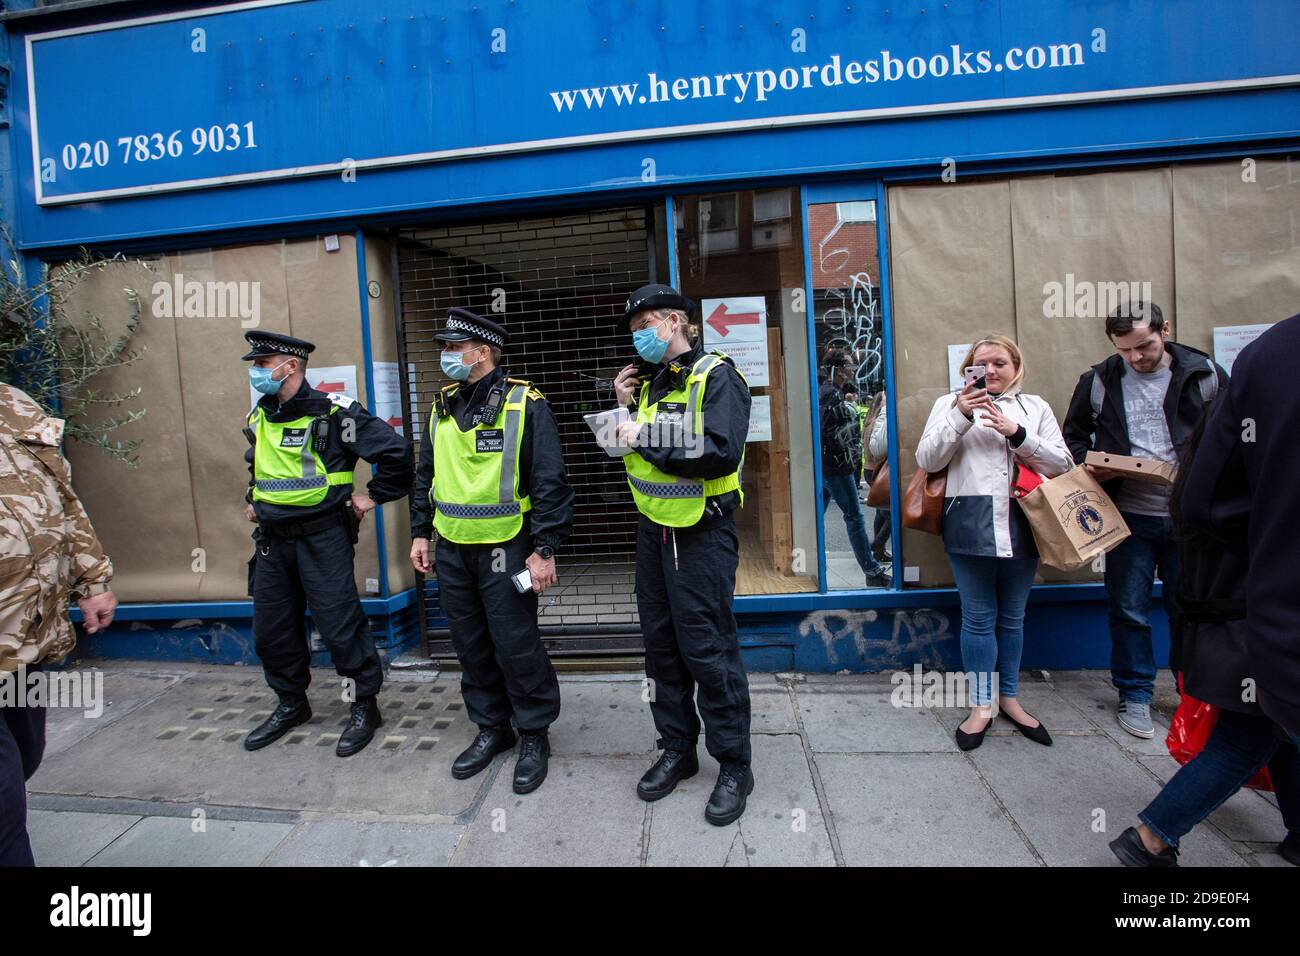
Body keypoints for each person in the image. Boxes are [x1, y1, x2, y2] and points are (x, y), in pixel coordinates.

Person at [1110, 395, 1299, 867]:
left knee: (1276, 727)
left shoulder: (1208, 483)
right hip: (1253, 625)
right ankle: (1150, 838)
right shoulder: (1257, 494)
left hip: (1227, 620)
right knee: (1245, 739)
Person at [410, 309, 572, 794]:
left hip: (507, 545)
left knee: (515, 642)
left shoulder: (526, 403)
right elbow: (426, 474)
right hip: (453, 547)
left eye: (453, 348)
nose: (445, 356)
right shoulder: (441, 406)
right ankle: (491, 728)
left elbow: (550, 480)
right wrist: (421, 531)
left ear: (481, 352)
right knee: (470, 643)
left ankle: (534, 733)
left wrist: (545, 548)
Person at [612, 283, 754, 826]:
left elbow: (718, 453)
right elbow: (639, 452)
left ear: (676, 321)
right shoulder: (649, 385)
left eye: (646, 324)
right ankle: (677, 748)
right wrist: (624, 412)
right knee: (661, 649)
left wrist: (641, 434)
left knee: (708, 649)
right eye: (633, 329)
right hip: (654, 533)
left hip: (701, 535)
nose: (639, 335)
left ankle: (735, 764)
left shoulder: (718, 376)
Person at [241, 332, 412, 758]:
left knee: (340, 628)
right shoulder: (260, 415)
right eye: (256, 363)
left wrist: (371, 496)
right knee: (271, 632)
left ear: (292, 366)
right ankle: (291, 704)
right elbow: (260, 468)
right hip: (272, 543)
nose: (258, 370)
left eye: (265, 362)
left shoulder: (335, 414)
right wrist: (255, 500)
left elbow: (396, 454)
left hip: (323, 537)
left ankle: (363, 707)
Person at [1062, 302, 1228, 740]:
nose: (1137, 357)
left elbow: (1232, 440)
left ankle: (1190, 695)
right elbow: (1072, 439)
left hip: (1189, 518)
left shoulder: (1204, 374)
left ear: (1165, 329)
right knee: (1129, 609)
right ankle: (1135, 694)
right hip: (1127, 515)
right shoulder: (1098, 380)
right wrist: (1093, 465)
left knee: (1188, 607)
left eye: (1145, 346)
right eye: (1126, 350)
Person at [916, 334, 1073, 750]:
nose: (991, 370)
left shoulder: (1034, 407)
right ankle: (982, 705)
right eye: (981, 363)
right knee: (979, 617)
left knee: (1013, 618)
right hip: (968, 521)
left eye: (1000, 362)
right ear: (967, 369)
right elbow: (927, 460)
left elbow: (1063, 463)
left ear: (1016, 366)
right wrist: (960, 416)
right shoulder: (948, 404)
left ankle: (1011, 699)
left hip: (1024, 518)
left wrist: (1018, 433)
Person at [1, 383, 118, 866]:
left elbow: (64, 498)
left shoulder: (13, 403)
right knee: (5, 801)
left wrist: (93, 580)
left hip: (24, 642)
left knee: (26, 754)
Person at [1180, 313, 1300, 752]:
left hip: (1279, 626)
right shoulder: (1274, 352)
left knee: (1257, 737)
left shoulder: (1260, 355)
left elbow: (1209, 499)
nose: (1135, 356)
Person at [819, 350, 889, 588]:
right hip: (837, 468)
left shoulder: (830, 393)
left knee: (818, 515)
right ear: (837, 369)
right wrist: (843, 456)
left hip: (833, 466)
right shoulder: (830, 395)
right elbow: (826, 433)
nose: (852, 370)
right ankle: (871, 570)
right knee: (854, 517)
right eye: (848, 366)